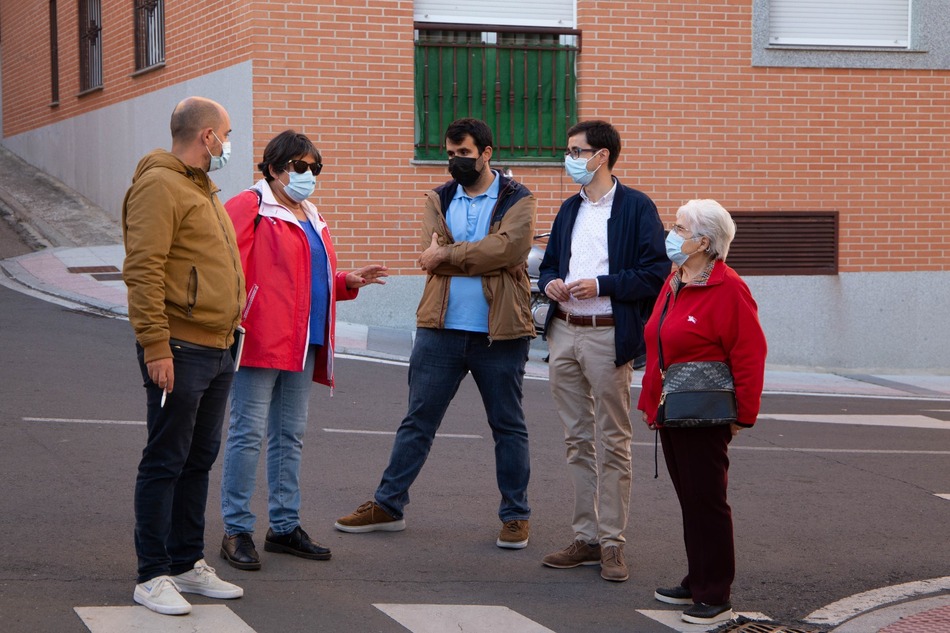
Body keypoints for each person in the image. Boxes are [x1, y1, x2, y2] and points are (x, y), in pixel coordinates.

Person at [334, 118, 537, 549]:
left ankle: (516, 516)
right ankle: (388, 505)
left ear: (486, 152)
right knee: (417, 422)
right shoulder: (439, 197)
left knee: (507, 425)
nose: (455, 161)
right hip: (439, 328)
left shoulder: (517, 197)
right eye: (450, 153)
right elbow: (433, 258)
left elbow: (511, 248)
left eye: (464, 153)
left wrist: (447, 253)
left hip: (498, 332)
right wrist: (466, 254)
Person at [219, 130, 388, 571]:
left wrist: (345, 282)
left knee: (288, 438)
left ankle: (283, 526)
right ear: (274, 168)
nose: (307, 174)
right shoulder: (249, 206)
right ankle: (236, 529)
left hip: (303, 342)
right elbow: (222, 266)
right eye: (299, 166)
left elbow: (306, 283)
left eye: (314, 167)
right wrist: (237, 318)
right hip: (258, 342)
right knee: (247, 436)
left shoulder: (311, 214)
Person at [122, 96, 245, 616]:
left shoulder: (204, 187)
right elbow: (143, 270)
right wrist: (155, 344)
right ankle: (152, 574)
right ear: (207, 137)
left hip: (218, 345)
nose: (229, 143)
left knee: (198, 459)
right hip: (179, 346)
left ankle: (185, 562)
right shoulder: (158, 185)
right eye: (227, 133)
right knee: (166, 459)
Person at [537, 120, 670, 582]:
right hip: (564, 331)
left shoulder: (636, 207)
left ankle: (613, 542)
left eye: (578, 151)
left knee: (613, 440)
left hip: (608, 333)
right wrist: (550, 282)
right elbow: (550, 262)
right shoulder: (569, 208)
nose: (570, 159)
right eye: (569, 150)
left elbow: (655, 272)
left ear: (603, 156)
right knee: (576, 439)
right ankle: (586, 537)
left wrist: (603, 284)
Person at [638, 199, 767, 625]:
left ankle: (715, 594)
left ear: (704, 242)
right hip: (672, 407)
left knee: (707, 501)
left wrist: (742, 415)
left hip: (706, 411)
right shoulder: (676, 278)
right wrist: (648, 402)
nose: (672, 234)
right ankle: (697, 579)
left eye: (680, 228)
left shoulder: (729, 287)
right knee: (691, 499)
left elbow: (749, 353)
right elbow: (658, 342)